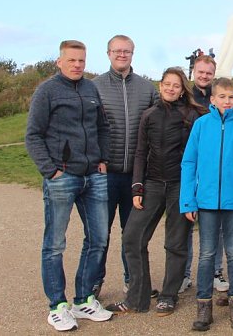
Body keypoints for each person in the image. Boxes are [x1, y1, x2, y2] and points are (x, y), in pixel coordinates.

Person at [24, 40, 113, 331]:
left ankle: (83, 299)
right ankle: (58, 306)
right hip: (63, 177)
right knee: (55, 244)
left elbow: (102, 126)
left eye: (82, 61)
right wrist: (50, 171)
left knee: (98, 239)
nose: (77, 65)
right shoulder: (47, 91)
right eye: (72, 60)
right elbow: (33, 135)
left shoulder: (90, 89)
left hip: (94, 175)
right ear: (59, 62)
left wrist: (102, 158)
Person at [105, 67, 206, 316]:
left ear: (183, 89)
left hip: (179, 186)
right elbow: (141, 152)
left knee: (175, 243)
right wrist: (137, 186)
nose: (171, 89)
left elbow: (199, 157)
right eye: (166, 84)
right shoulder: (149, 115)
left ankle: (168, 296)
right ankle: (137, 298)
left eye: (176, 85)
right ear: (160, 86)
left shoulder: (193, 116)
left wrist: (193, 191)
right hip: (151, 184)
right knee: (132, 238)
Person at [180, 77, 233, 331]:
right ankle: (204, 307)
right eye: (221, 97)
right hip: (205, 201)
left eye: (230, 97)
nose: (227, 101)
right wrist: (188, 200)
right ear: (212, 99)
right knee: (207, 254)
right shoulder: (202, 125)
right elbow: (189, 163)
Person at [91, 35, 159, 298]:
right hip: (105, 174)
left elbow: (155, 129)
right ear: (108, 53)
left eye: (127, 51)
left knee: (133, 234)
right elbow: (89, 127)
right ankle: (94, 283)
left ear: (133, 53)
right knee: (99, 234)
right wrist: (97, 158)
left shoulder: (147, 88)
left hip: (135, 175)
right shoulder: (94, 87)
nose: (122, 55)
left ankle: (134, 281)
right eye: (117, 51)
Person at [184, 54, 229, 297]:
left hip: (215, 169)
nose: (204, 76)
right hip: (190, 164)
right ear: (194, 72)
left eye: (208, 73)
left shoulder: (219, 97)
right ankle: (185, 274)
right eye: (200, 72)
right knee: (188, 223)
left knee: (217, 227)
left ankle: (216, 271)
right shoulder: (185, 96)